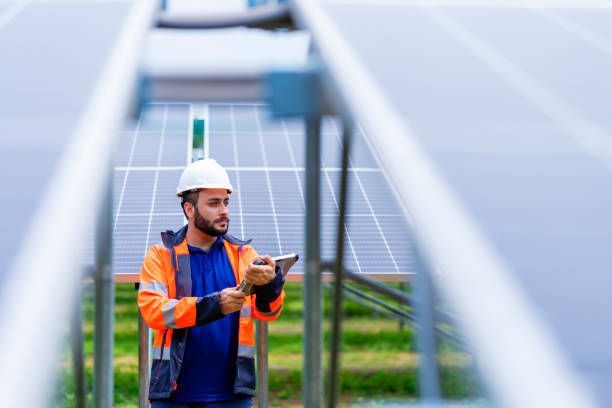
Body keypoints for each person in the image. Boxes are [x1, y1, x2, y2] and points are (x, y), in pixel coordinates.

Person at [137, 158, 285, 407]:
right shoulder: (161, 255)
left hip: (234, 396)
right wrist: (216, 305)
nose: (224, 210)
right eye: (214, 204)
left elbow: (270, 313)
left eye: (226, 202)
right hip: (173, 396)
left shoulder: (244, 255)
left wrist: (270, 286)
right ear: (189, 209)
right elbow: (155, 312)